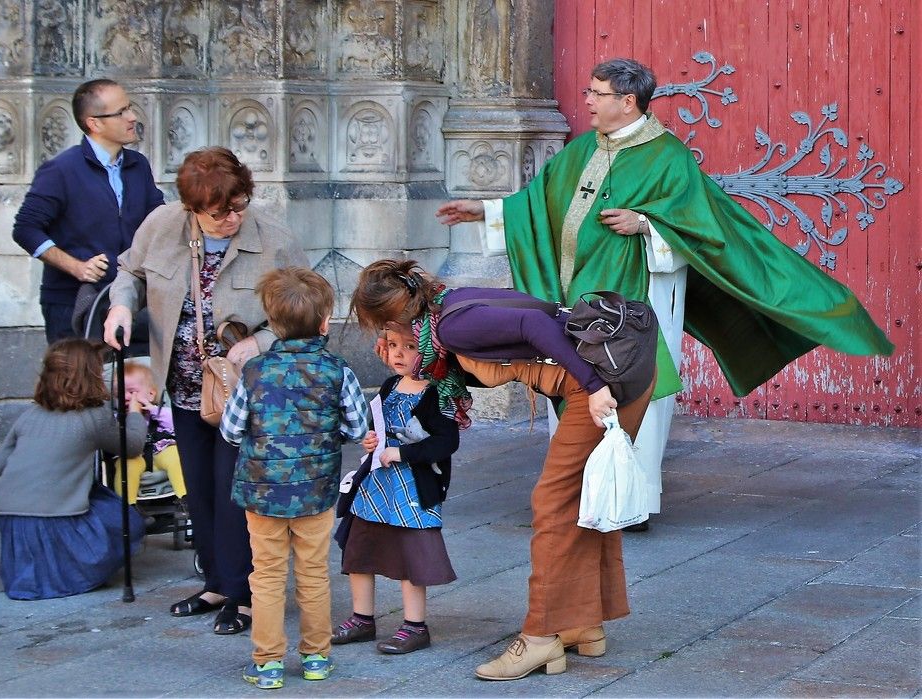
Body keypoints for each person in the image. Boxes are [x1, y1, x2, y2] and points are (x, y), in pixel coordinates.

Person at [435, 57, 893, 531]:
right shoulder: (583, 150)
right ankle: (581, 492)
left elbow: (704, 230)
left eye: (597, 93)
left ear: (627, 101)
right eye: (589, 91)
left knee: (637, 393)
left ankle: (630, 502)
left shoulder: (669, 158)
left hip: (638, 305)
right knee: (574, 382)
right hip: (577, 300)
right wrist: (484, 211)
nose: (587, 101)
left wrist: (646, 225)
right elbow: (536, 205)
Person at [350, 259, 656, 680]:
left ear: (394, 316)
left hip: (600, 386)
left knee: (552, 505)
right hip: (619, 372)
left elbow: (536, 324)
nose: (386, 340)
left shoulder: (453, 327)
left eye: (383, 329)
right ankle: (581, 624)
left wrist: (593, 386)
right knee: (579, 502)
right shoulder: (447, 307)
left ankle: (540, 637)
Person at [102, 147, 308, 635]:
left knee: (235, 492)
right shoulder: (162, 225)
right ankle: (216, 582)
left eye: (239, 205)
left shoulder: (273, 235)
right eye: (219, 213)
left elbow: (308, 305)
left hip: (246, 393)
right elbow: (130, 272)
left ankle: (246, 594)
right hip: (185, 386)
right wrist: (121, 307)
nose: (232, 218)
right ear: (192, 207)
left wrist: (261, 341)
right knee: (199, 489)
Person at [220, 267, 369, 689]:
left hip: (262, 492)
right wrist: (328, 435)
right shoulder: (338, 370)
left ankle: (267, 663)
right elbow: (358, 427)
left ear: (273, 324)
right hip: (316, 491)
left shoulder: (254, 371)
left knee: (266, 575)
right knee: (313, 573)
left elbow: (230, 430)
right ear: (324, 323)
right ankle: (316, 657)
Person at [331, 324, 460, 655]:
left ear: (431, 350)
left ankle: (415, 626)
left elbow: (447, 441)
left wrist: (403, 453)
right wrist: (371, 439)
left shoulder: (436, 392)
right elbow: (378, 425)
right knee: (359, 547)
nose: (398, 353)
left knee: (411, 554)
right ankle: (362, 618)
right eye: (392, 345)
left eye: (410, 346)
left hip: (412, 489)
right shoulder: (390, 385)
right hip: (376, 485)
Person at [0, 338, 147, 600]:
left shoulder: (30, 415)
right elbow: (131, 446)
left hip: (9, 515)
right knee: (127, 520)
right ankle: (74, 569)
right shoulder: (94, 416)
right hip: (56, 517)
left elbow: (1, 465)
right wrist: (135, 412)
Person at [13, 78, 164, 342]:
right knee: (79, 372)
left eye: (130, 107)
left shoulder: (138, 165)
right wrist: (76, 267)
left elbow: (158, 222)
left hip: (129, 300)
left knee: (134, 371)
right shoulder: (60, 170)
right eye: (121, 111)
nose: (132, 117)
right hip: (72, 303)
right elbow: (25, 229)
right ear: (94, 123)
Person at [112, 361, 186, 505]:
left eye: (132, 392)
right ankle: (127, 505)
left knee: (175, 456)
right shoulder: (118, 418)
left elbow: (175, 423)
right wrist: (131, 415)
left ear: (151, 394)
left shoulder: (159, 412)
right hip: (134, 456)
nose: (126, 397)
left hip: (161, 451)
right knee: (126, 466)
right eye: (119, 394)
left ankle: (185, 497)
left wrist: (153, 410)